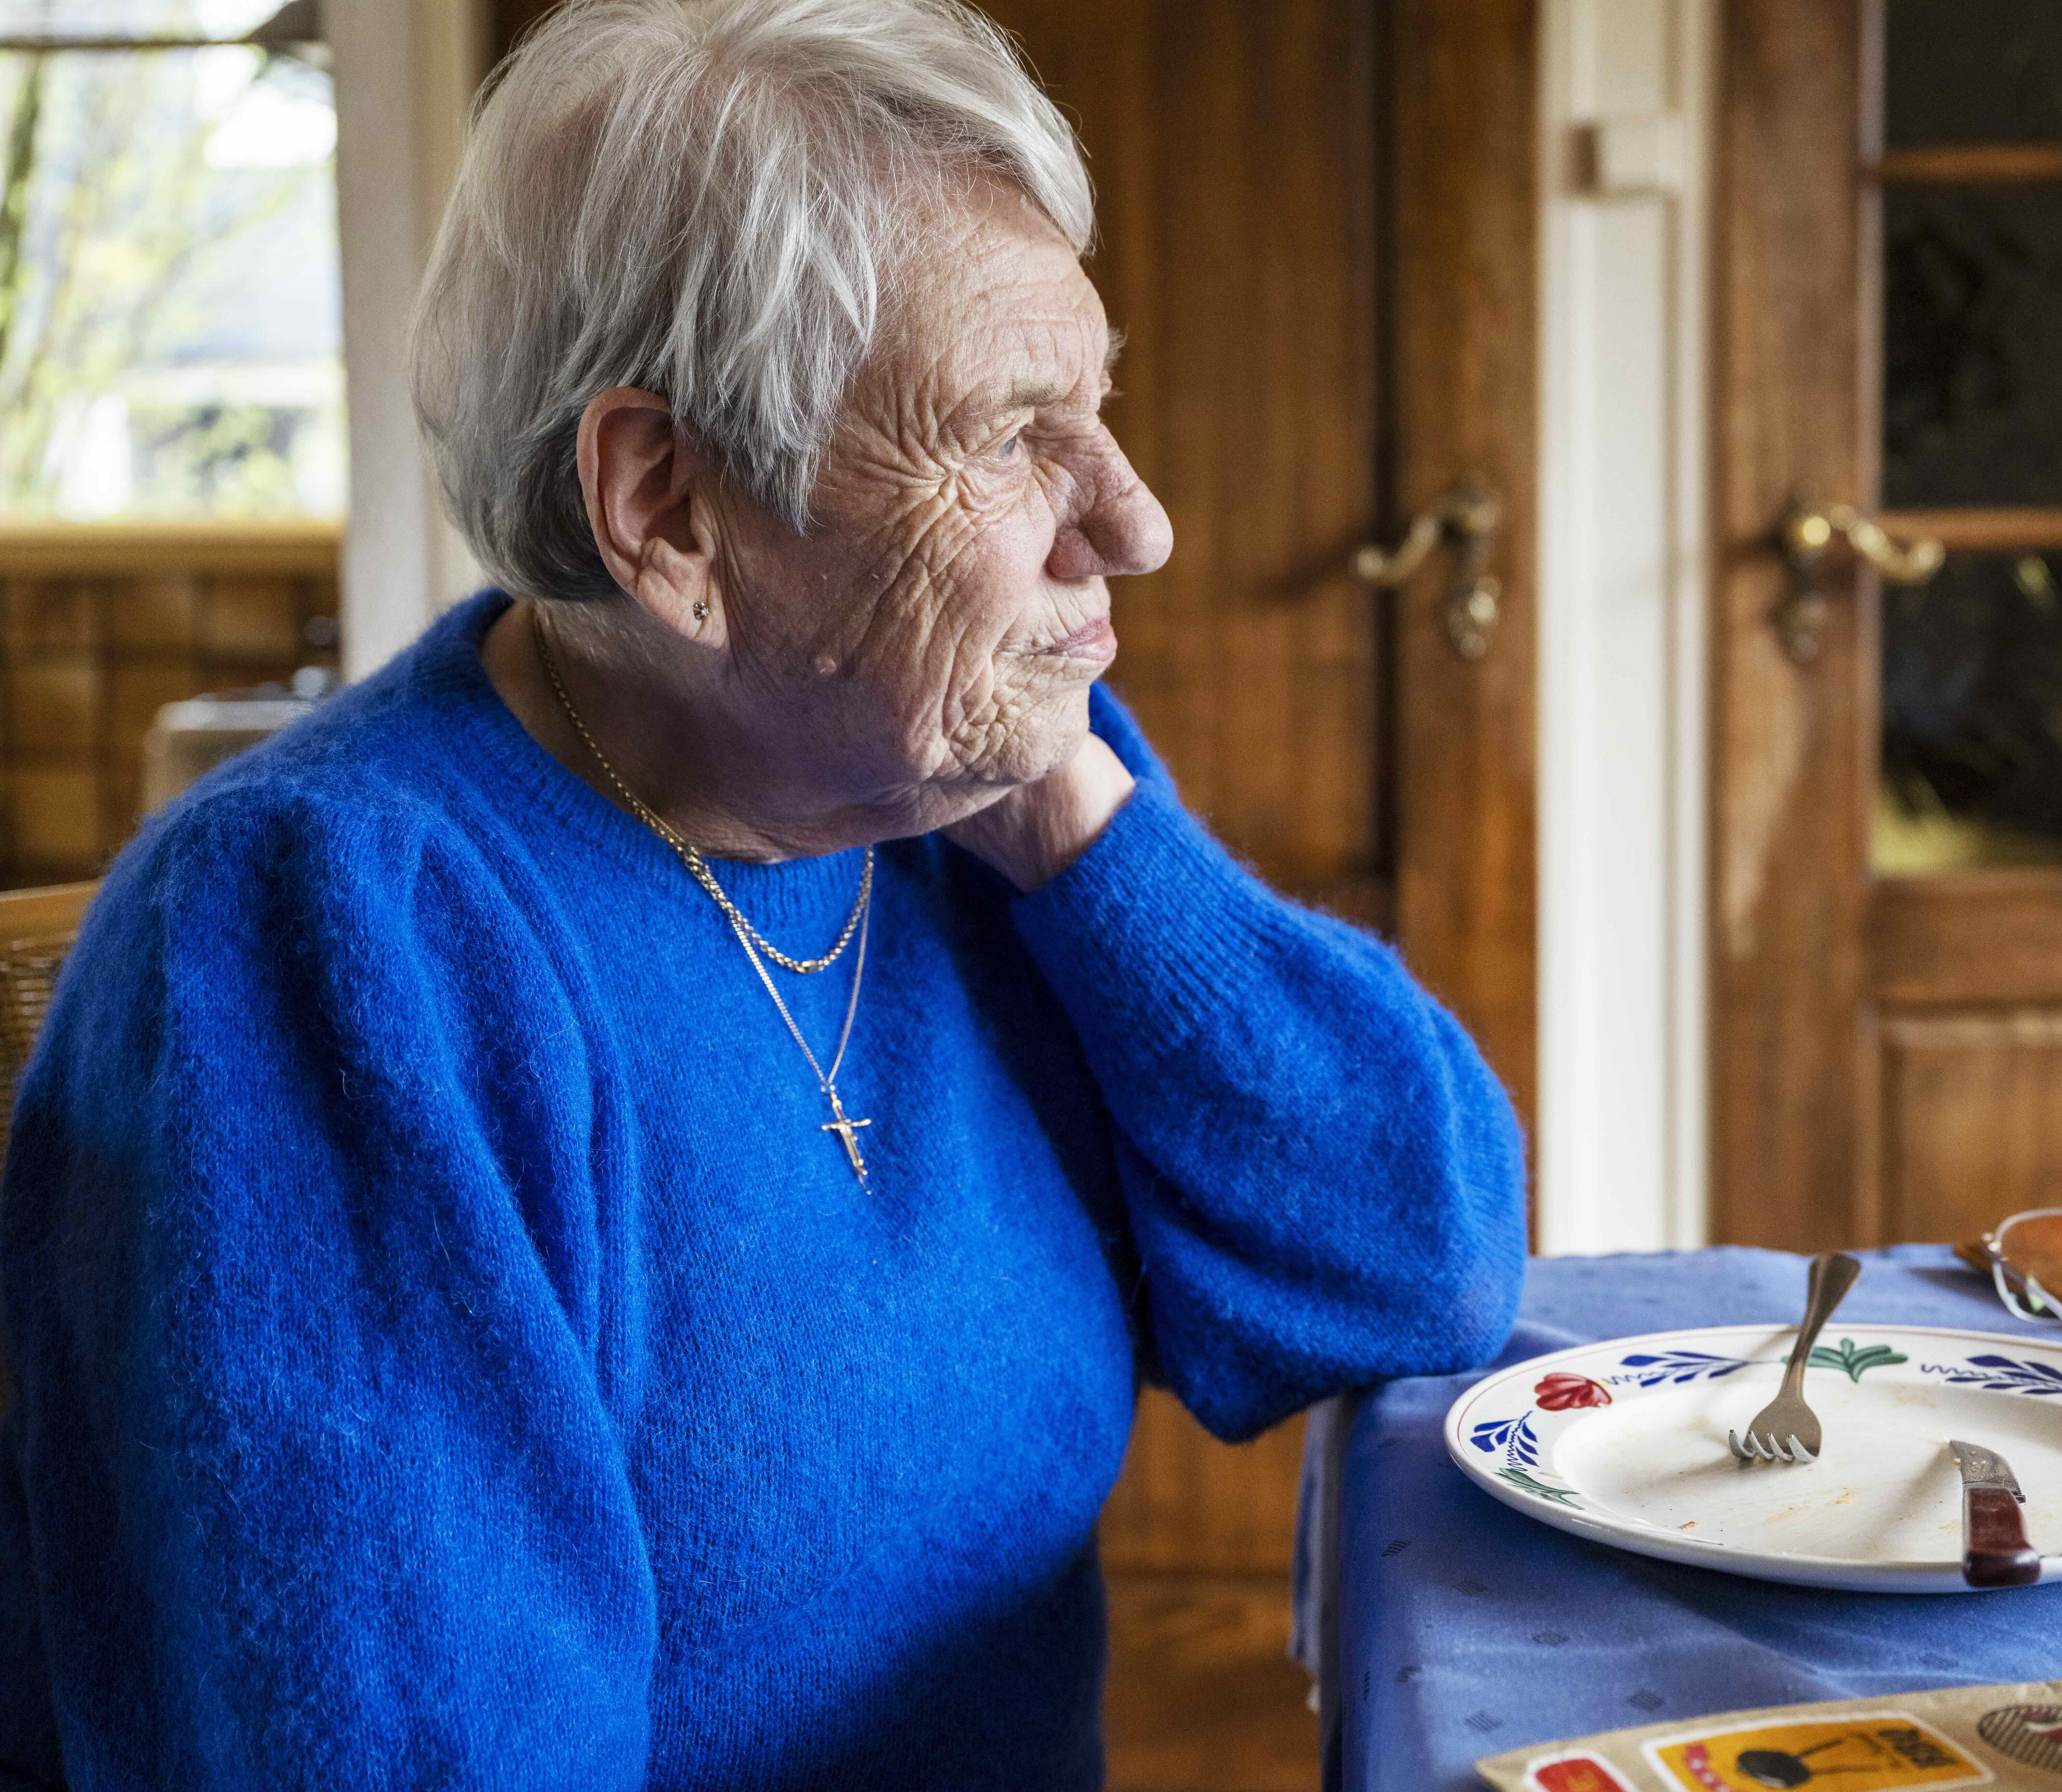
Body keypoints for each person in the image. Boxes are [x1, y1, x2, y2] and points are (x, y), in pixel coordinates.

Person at [0, 2, 1526, 1784]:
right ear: (667, 508)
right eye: (1015, 433)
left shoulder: (927, 798)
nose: (1132, 523)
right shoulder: (329, 951)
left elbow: (1413, 1268)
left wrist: (1089, 836)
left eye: (1100, 409)